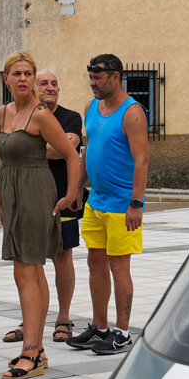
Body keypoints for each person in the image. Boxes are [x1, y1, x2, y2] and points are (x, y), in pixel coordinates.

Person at [0, 51, 79, 379]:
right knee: (34, 273)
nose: (23, 79)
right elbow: (5, 157)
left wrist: (71, 194)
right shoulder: (3, 112)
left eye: (28, 73)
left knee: (25, 273)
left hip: (35, 193)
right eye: (17, 73)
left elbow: (72, 155)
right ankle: (38, 349)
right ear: (6, 79)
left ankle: (30, 351)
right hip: (13, 194)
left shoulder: (40, 114)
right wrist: (2, 195)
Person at [67, 53, 149, 356]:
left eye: (97, 77)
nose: (92, 83)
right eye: (90, 77)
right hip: (96, 201)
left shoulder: (133, 112)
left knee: (119, 265)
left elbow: (141, 162)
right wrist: (78, 187)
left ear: (115, 76)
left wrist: (136, 204)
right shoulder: (92, 107)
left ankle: (122, 332)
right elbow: (88, 150)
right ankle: (99, 327)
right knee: (95, 262)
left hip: (121, 205)